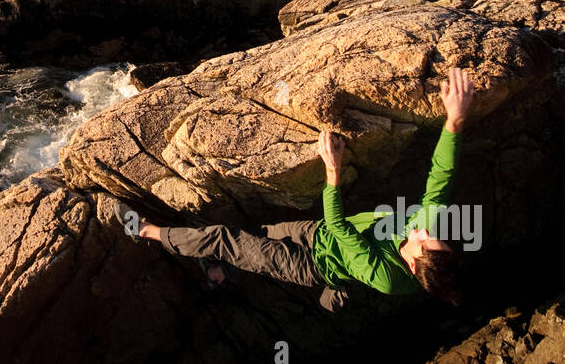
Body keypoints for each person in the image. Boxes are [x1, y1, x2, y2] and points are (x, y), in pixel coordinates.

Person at [127, 66, 474, 310]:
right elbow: (439, 182)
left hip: (310, 266)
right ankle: (218, 274)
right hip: (317, 233)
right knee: (253, 235)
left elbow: (340, 227)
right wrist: (454, 120)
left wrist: (332, 172)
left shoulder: (387, 278)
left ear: (413, 266)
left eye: (424, 239)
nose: (423, 229)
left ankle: (147, 231)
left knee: (224, 239)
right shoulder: (422, 235)